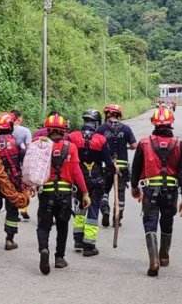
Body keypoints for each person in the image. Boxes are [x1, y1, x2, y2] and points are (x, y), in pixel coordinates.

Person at [130, 105, 182, 276]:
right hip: (171, 193)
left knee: (150, 223)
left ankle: (153, 260)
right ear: (171, 123)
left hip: (150, 191)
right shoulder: (180, 145)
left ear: (154, 124)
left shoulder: (144, 143)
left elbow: (135, 169)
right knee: (167, 222)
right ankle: (164, 255)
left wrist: (135, 187)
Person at [35, 113, 89, 275]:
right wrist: (85, 192)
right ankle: (59, 258)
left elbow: (33, 168)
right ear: (63, 130)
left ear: (48, 130)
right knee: (62, 226)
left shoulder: (41, 146)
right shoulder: (70, 147)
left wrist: (29, 186)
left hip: (46, 191)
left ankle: (44, 249)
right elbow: (77, 172)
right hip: (65, 193)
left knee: (43, 225)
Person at [68, 109, 115, 257]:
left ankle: (78, 240)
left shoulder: (72, 137)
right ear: (96, 123)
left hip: (78, 178)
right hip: (96, 179)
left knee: (79, 208)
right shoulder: (101, 140)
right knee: (93, 210)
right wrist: (114, 171)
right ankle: (89, 245)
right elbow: (108, 163)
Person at [0, 112, 26, 252]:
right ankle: (9, 240)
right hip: (12, 183)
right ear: (11, 126)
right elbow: (24, 163)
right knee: (12, 210)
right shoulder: (18, 143)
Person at [99, 104, 137, 228]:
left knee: (103, 191)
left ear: (107, 114)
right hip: (122, 167)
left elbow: (95, 144)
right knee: (120, 193)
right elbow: (134, 145)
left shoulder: (101, 129)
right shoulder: (125, 129)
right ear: (119, 115)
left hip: (106, 165)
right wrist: (128, 146)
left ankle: (105, 209)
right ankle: (118, 217)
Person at [11, 111, 34, 220]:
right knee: (25, 185)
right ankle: (24, 208)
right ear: (19, 118)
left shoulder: (6, 130)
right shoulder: (25, 131)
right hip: (23, 162)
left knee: (13, 187)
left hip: (10, 163)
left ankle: (14, 210)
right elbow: (28, 148)